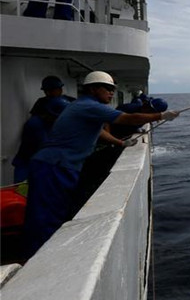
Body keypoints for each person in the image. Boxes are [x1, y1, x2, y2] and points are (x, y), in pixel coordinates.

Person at [23, 71, 179, 257]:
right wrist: (161, 116)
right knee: (46, 215)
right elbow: (128, 118)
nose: (112, 93)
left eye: (113, 89)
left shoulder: (85, 107)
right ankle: (39, 257)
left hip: (59, 165)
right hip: (54, 165)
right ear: (94, 89)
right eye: (108, 89)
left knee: (55, 210)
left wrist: (121, 143)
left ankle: (41, 252)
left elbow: (98, 132)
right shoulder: (88, 106)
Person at [11, 96, 70, 183]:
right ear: (51, 114)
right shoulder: (35, 124)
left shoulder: (53, 125)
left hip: (41, 166)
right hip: (27, 166)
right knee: (23, 192)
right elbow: (45, 147)